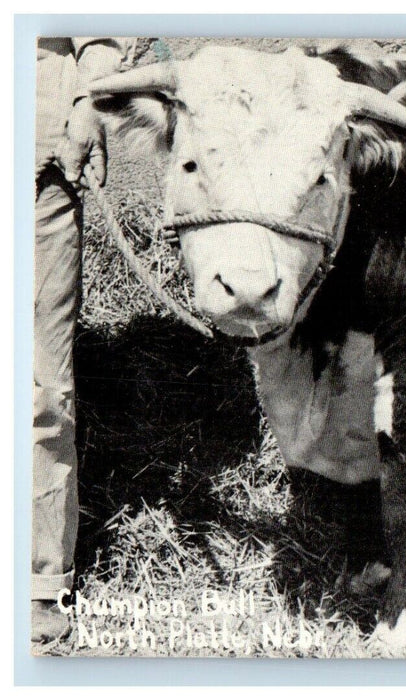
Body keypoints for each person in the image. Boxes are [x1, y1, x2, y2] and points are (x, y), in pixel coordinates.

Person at [33, 37, 135, 644]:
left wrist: (87, 107)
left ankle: (37, 584)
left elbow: (103, 30)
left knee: (39, 387)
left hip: (35, 170)